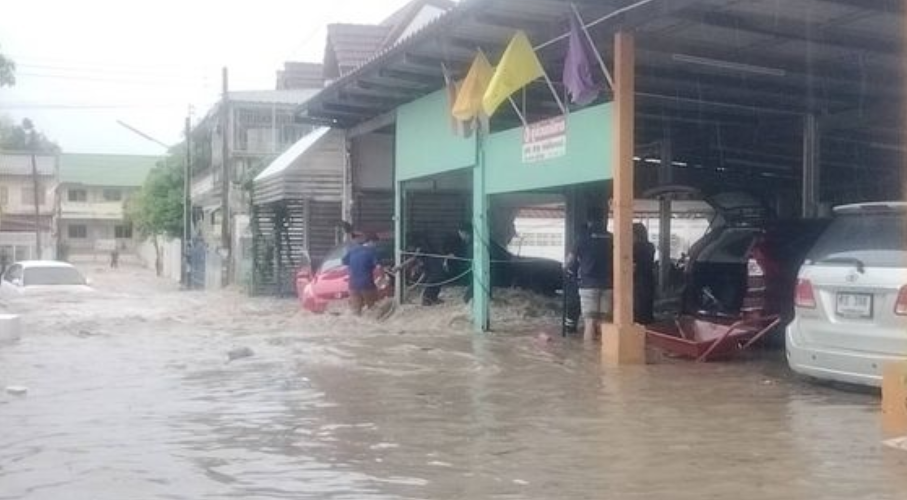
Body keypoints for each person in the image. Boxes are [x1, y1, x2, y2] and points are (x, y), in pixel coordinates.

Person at [566, 218, 614, 341]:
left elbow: (570, 261)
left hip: (588, 285)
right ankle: (605, 353)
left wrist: (565, 266)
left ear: (589, 222)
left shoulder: (582, 238)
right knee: (605, 323)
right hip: (608, 285)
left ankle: (589, 356)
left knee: (590, 323)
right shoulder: (612, 237)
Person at [342, 232, 380, 316]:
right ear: (371, 242)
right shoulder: (371, 252)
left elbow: (344, 262)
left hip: (352, 285)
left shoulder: (352, 250)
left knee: (356, 311)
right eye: (375, 243)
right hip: (367, 284)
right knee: (373, 308)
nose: (376, 245)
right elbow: (379, 267)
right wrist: (383, 277)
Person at [633, 222, 656, 325]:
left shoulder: (635, 247)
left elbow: (633, 265)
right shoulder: (650, 246)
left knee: (638, 306)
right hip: (649, 278)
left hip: (638, 279)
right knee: (647, 305)